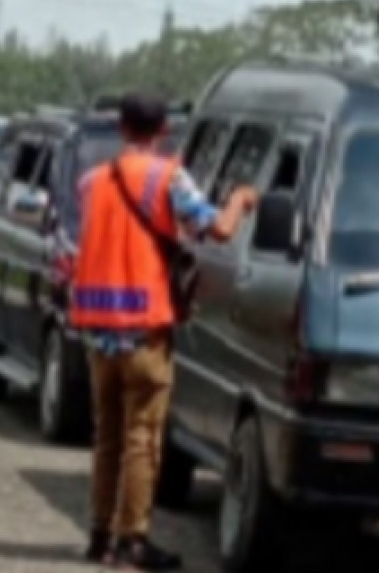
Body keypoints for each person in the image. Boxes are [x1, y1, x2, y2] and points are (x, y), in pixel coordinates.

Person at [68, 93, 256, 571]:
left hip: (97, 327)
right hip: (144, 327)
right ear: (165, 130)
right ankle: (132, 541)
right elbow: (218, 229)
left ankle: (99, 535)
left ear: (121, 127)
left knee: (107, 434)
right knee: (142, 437)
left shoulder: (92, 181)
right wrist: (239, 199)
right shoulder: (166, 177)